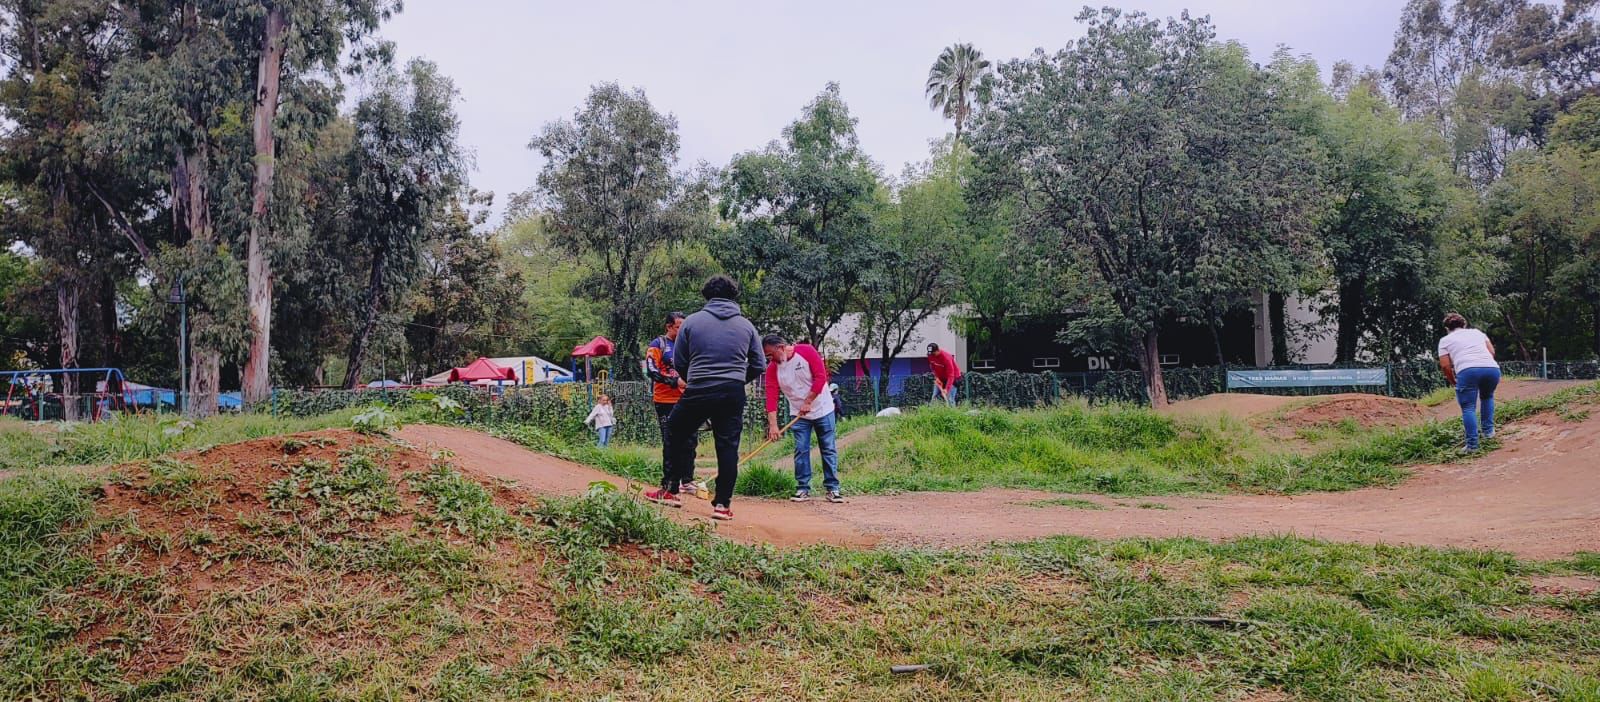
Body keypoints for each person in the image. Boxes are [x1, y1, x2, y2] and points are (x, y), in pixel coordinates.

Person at [644, 275, 765, 521]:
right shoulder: (746, 326)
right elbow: (759, 364)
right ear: (733, 296)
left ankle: (670, 491)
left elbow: (679, 361)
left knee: (675, 430)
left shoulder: (691, 323)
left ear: (706, 295)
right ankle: (722, 505)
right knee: (728, 446)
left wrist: (694, 379)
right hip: (732, 392)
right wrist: (737, 380)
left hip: (698, 387)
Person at [762, 334, 844, 503]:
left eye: (770, 354)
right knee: (801, 449)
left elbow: (821, 377)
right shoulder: (772, 369)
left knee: (828, 448)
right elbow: (771, 396)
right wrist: (773, 425)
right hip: (798, 414)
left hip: (822, 408)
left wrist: (808, 401)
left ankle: (832, 488)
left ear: (780, 348)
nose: (770, 359)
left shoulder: (806, 352)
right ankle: (802, 488)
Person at [645, 312, 699, 495]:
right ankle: (669, 484)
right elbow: (651, 370)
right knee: (671, 442)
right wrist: (674, 382)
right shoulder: (658, 344)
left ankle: (688, 480)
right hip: (665, 400)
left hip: (687, 398)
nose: (682, 330)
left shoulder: (689, 344)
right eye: (678, 327)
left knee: (691, 440)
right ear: (668, 326)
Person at [1437, 312, 1501, 452]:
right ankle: (1488, 433)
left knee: (1468, 408)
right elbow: (1491, 352)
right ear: (1464, 325)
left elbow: (1445, 366)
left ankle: (1472, 445)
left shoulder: (1445, 340)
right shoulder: (1477, 333)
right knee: (1487, 397)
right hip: (1492, 369)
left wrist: (1453, 380)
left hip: (1467, 371)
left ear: (1447, 328)